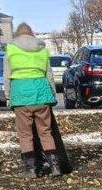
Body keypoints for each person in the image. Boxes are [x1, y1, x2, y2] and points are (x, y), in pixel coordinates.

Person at [4, 22, 68, 178]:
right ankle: (55, 168)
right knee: (46, 132)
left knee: (25, 134)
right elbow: (49, 75)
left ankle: (31, 170)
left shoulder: (11, 49)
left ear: (17, 35)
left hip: (21, 95)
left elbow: (6, 76)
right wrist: (52, 93)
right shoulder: (42, 50)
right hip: (41, 93)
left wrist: (8, 96)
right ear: (32, 34)